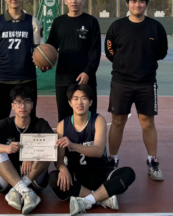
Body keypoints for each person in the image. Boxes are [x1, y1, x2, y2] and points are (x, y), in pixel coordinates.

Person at [104, 0, 168, 181]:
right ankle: (112, 160)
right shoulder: (117, 26)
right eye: (133, 1)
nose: (137, 4)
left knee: (148, 122)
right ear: (127, 4)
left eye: (141, 1)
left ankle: (152, 161)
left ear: (146, 4)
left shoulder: (155, 27)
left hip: (146, 82)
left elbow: (162, 52)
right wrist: (123, 64)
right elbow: (109, 51)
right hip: (121, 82)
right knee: (118, 121)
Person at [49, 84, 135, 216]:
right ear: (70, 103)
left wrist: (73, 145)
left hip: (101, 174)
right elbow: (59, 159)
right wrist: (62, 168)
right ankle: (101, 198)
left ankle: (87, 200)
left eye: (84, 98)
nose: (80, 102)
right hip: (76, 176)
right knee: (54, 178)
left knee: (128, 173)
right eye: (75, 98)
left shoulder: (98, 120)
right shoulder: (62, 126)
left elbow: (98, 151)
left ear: (90, 102)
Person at [0, 0, 41, 177]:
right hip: (1, 78)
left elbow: (38, 53)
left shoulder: (32, 21)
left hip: (26, 78)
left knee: (29, 119)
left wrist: (43, 63)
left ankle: (30, 159)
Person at [0, 86, 52, 214]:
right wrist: (7, 148)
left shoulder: (40, 123)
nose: (22, 106)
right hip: (8, 178)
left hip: (33, 178)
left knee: (48, 152)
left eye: (26, 102)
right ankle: (25, 191)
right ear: (13, 106)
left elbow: (51, 143)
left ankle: (19, 189)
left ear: (32, 105)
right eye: (18, 102)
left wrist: (30, 154)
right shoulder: (4, 124)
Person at [45, 0, 101, 122]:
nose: (74, 1)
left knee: (88, 118)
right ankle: (64, 138)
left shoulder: (91, 22)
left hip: (85, 79)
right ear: (65, 1)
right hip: (63, 78)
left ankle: (88, 138)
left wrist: (87, 72)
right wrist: (45, 63)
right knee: (64, 119)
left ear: (83, 1)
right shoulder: (58, 22)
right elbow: (50, 47)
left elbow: (95, 51)